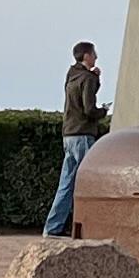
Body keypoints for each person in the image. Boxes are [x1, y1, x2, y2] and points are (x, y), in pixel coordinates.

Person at [45, 40, 106, 237]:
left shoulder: (71, 76)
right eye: (94, 54)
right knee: (91, 181)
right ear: (87, 56)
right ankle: (92, 225)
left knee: (66, 183)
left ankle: (52, 228)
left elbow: (79, 98)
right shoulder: (87, 78)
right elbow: (89, 109)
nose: (96, 57)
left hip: (69, 135)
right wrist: (103, 111)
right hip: (82, 135)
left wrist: (94, 79)